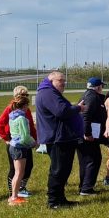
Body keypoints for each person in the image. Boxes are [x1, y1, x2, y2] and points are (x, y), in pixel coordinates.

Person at [35, 71, 83, 209]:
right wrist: (78, 107)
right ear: (51, 80)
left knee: (63, 170)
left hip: (62, 137)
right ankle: (54, 201)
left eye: (64, 80)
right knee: (58, 170)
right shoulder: (47, 93)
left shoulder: (50, 92)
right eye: (60, 80)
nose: (63, 83)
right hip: (57, 138)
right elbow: (62, 111)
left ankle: (61, 198)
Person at [0, 86, 37, 205]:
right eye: (21, 94)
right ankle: (13, 193)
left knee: (28, 166)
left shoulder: (26, 110)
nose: (24, 97)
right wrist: (6, 139)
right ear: (16, 96)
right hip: (17, 143)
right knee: (15, 170)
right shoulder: (11, 109)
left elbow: (30, 127)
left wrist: (36, 138)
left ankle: (21, 188)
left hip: (25, 143)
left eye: (26, 94)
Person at [78, 77, 108, 196]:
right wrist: (87, 133)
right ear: (98, 87)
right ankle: (86, 188)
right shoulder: (92, 97)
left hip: (84, 134)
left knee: (85, 161)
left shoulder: (86, 95)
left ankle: (83, 186)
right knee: (93, 159)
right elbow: (86, 115)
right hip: (88, 136)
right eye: (101, 86)